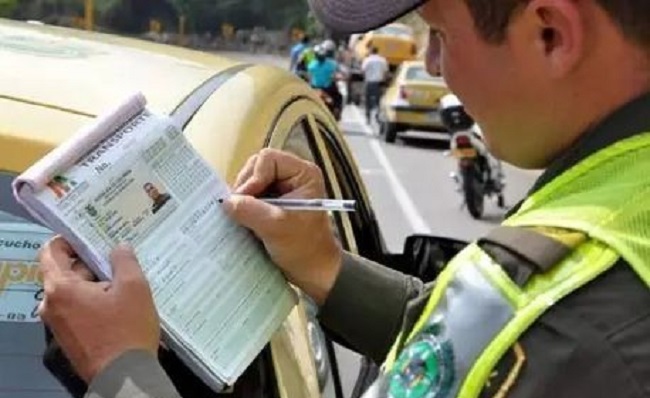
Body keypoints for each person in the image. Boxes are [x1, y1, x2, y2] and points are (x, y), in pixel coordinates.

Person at [39, 0, 650, 397]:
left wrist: (122, 370)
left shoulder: (576, 323)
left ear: (551, 32)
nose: (434, 65)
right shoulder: (621, 195)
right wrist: (324, 268)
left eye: (438, 34)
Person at [308, 44, 343, 116]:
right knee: (339, 97)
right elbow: (336, 75)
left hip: (315, 88)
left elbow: (310, 77)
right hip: (327, 89)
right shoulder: (332, 64)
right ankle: (337, 112)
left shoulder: (311, 65)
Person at [361, 47, 388, 124]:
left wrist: (365, 77)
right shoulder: (382, 60)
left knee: (367, 100)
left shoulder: (367, 60)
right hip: (378, 83)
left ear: (371, 51)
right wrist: (384, 81)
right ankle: (377, 115)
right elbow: (385, 72)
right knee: (378, 100)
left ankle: (368, 117)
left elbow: (363, 70)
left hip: (369, 82)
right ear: (377, 51)